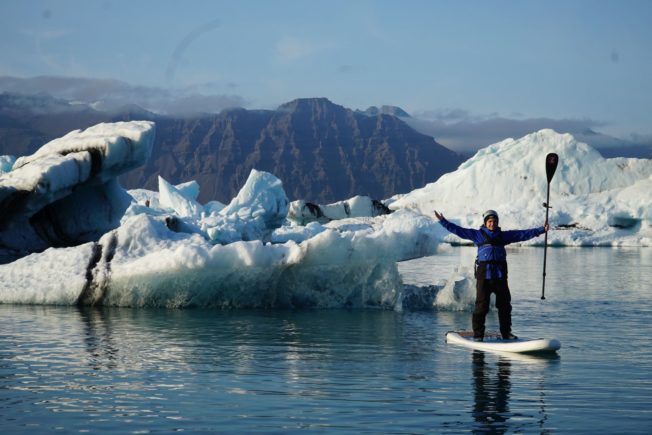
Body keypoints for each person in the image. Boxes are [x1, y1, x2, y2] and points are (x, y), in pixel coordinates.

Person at [434, 209, 549, 341]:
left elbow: (522, 234)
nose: (492, 223)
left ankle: (506, 333)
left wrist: (541, 230)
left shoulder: (503, 236)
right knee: (481, 307)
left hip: (500, 276)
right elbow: (458, 230)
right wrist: (443, 221)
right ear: (485, 222)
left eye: (494, 221)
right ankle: (478, 335)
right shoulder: (477, 235)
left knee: (505, 306)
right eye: (489, 221)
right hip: (484, 277)